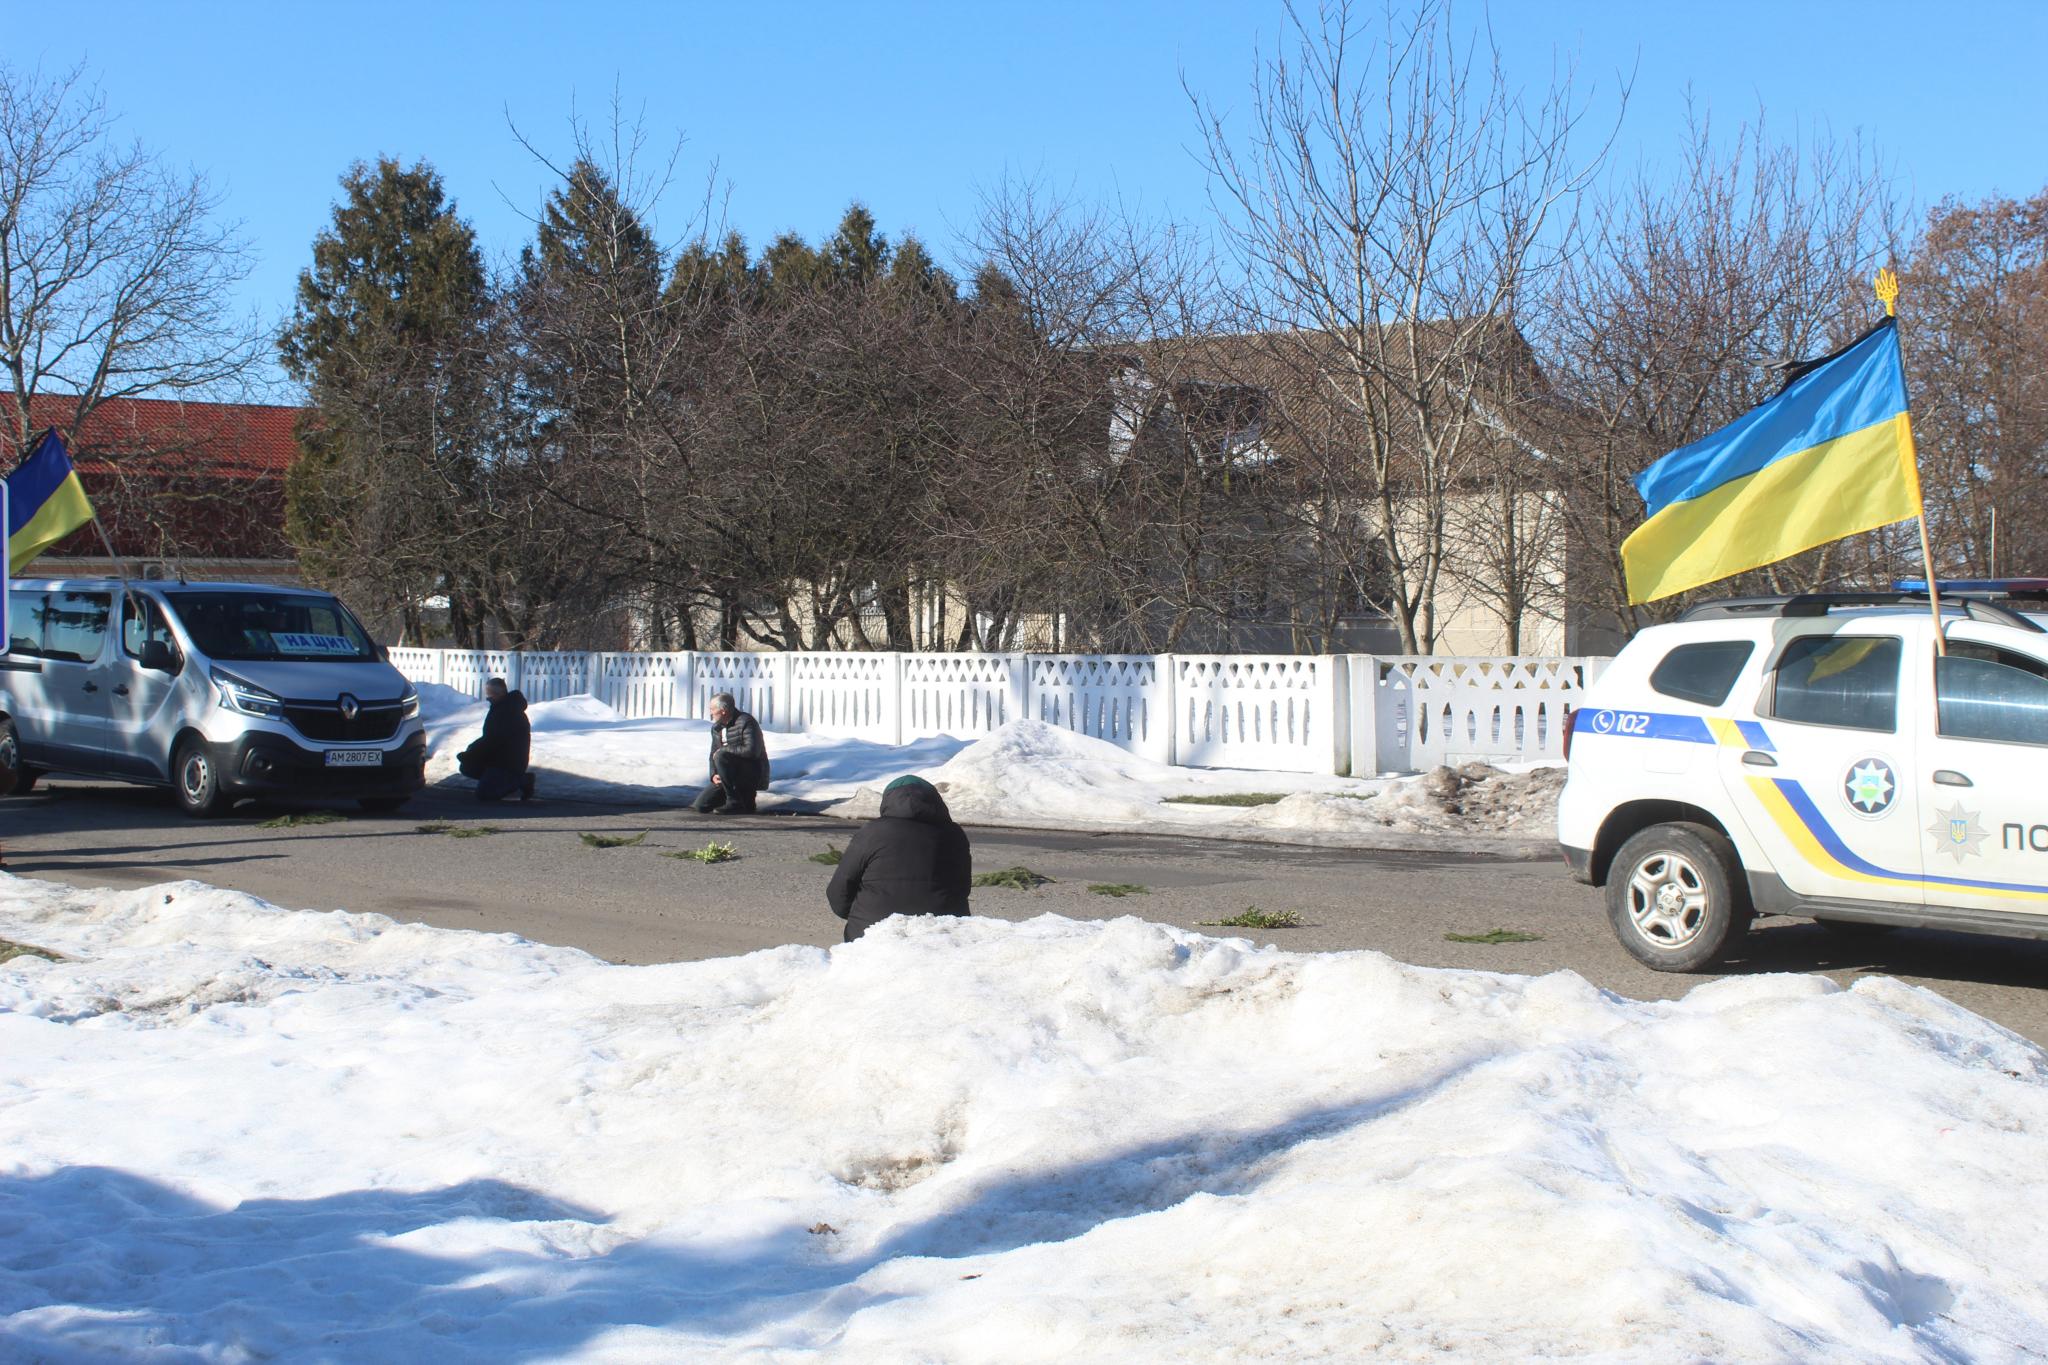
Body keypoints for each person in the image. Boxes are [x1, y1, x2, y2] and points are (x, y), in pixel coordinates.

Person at [826, 775, 973, 942]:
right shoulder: (954, 834)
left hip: (873, 933)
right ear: (936, 801)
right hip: (942, 932)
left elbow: (839, 890)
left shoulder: (873, 832)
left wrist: (858, 915)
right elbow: (962, 887)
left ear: (888, 801)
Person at [457, 677, 534, 802]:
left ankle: (521, 780)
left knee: (485, 794)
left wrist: (471, 754)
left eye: (491, 695)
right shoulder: (501, 708)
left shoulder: (508, 712)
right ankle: (498, 780)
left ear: (500, 694)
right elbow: (489, 737)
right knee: (467, 766)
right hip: (499, 758)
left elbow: (493, 740)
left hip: (508, 762)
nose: (488, 699)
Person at [695, 693, 769, 813]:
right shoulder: (716, 728)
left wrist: (724, 750)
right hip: (727, 776)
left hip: (749, 773)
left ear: (723, 711)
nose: (711, 713)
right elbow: (712, 753)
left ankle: (735, 802)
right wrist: (713, 774)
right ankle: (733, 800)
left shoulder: (746, 722)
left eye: (712, 709)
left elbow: (752, 751)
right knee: (701, 806)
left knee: (721, 755)